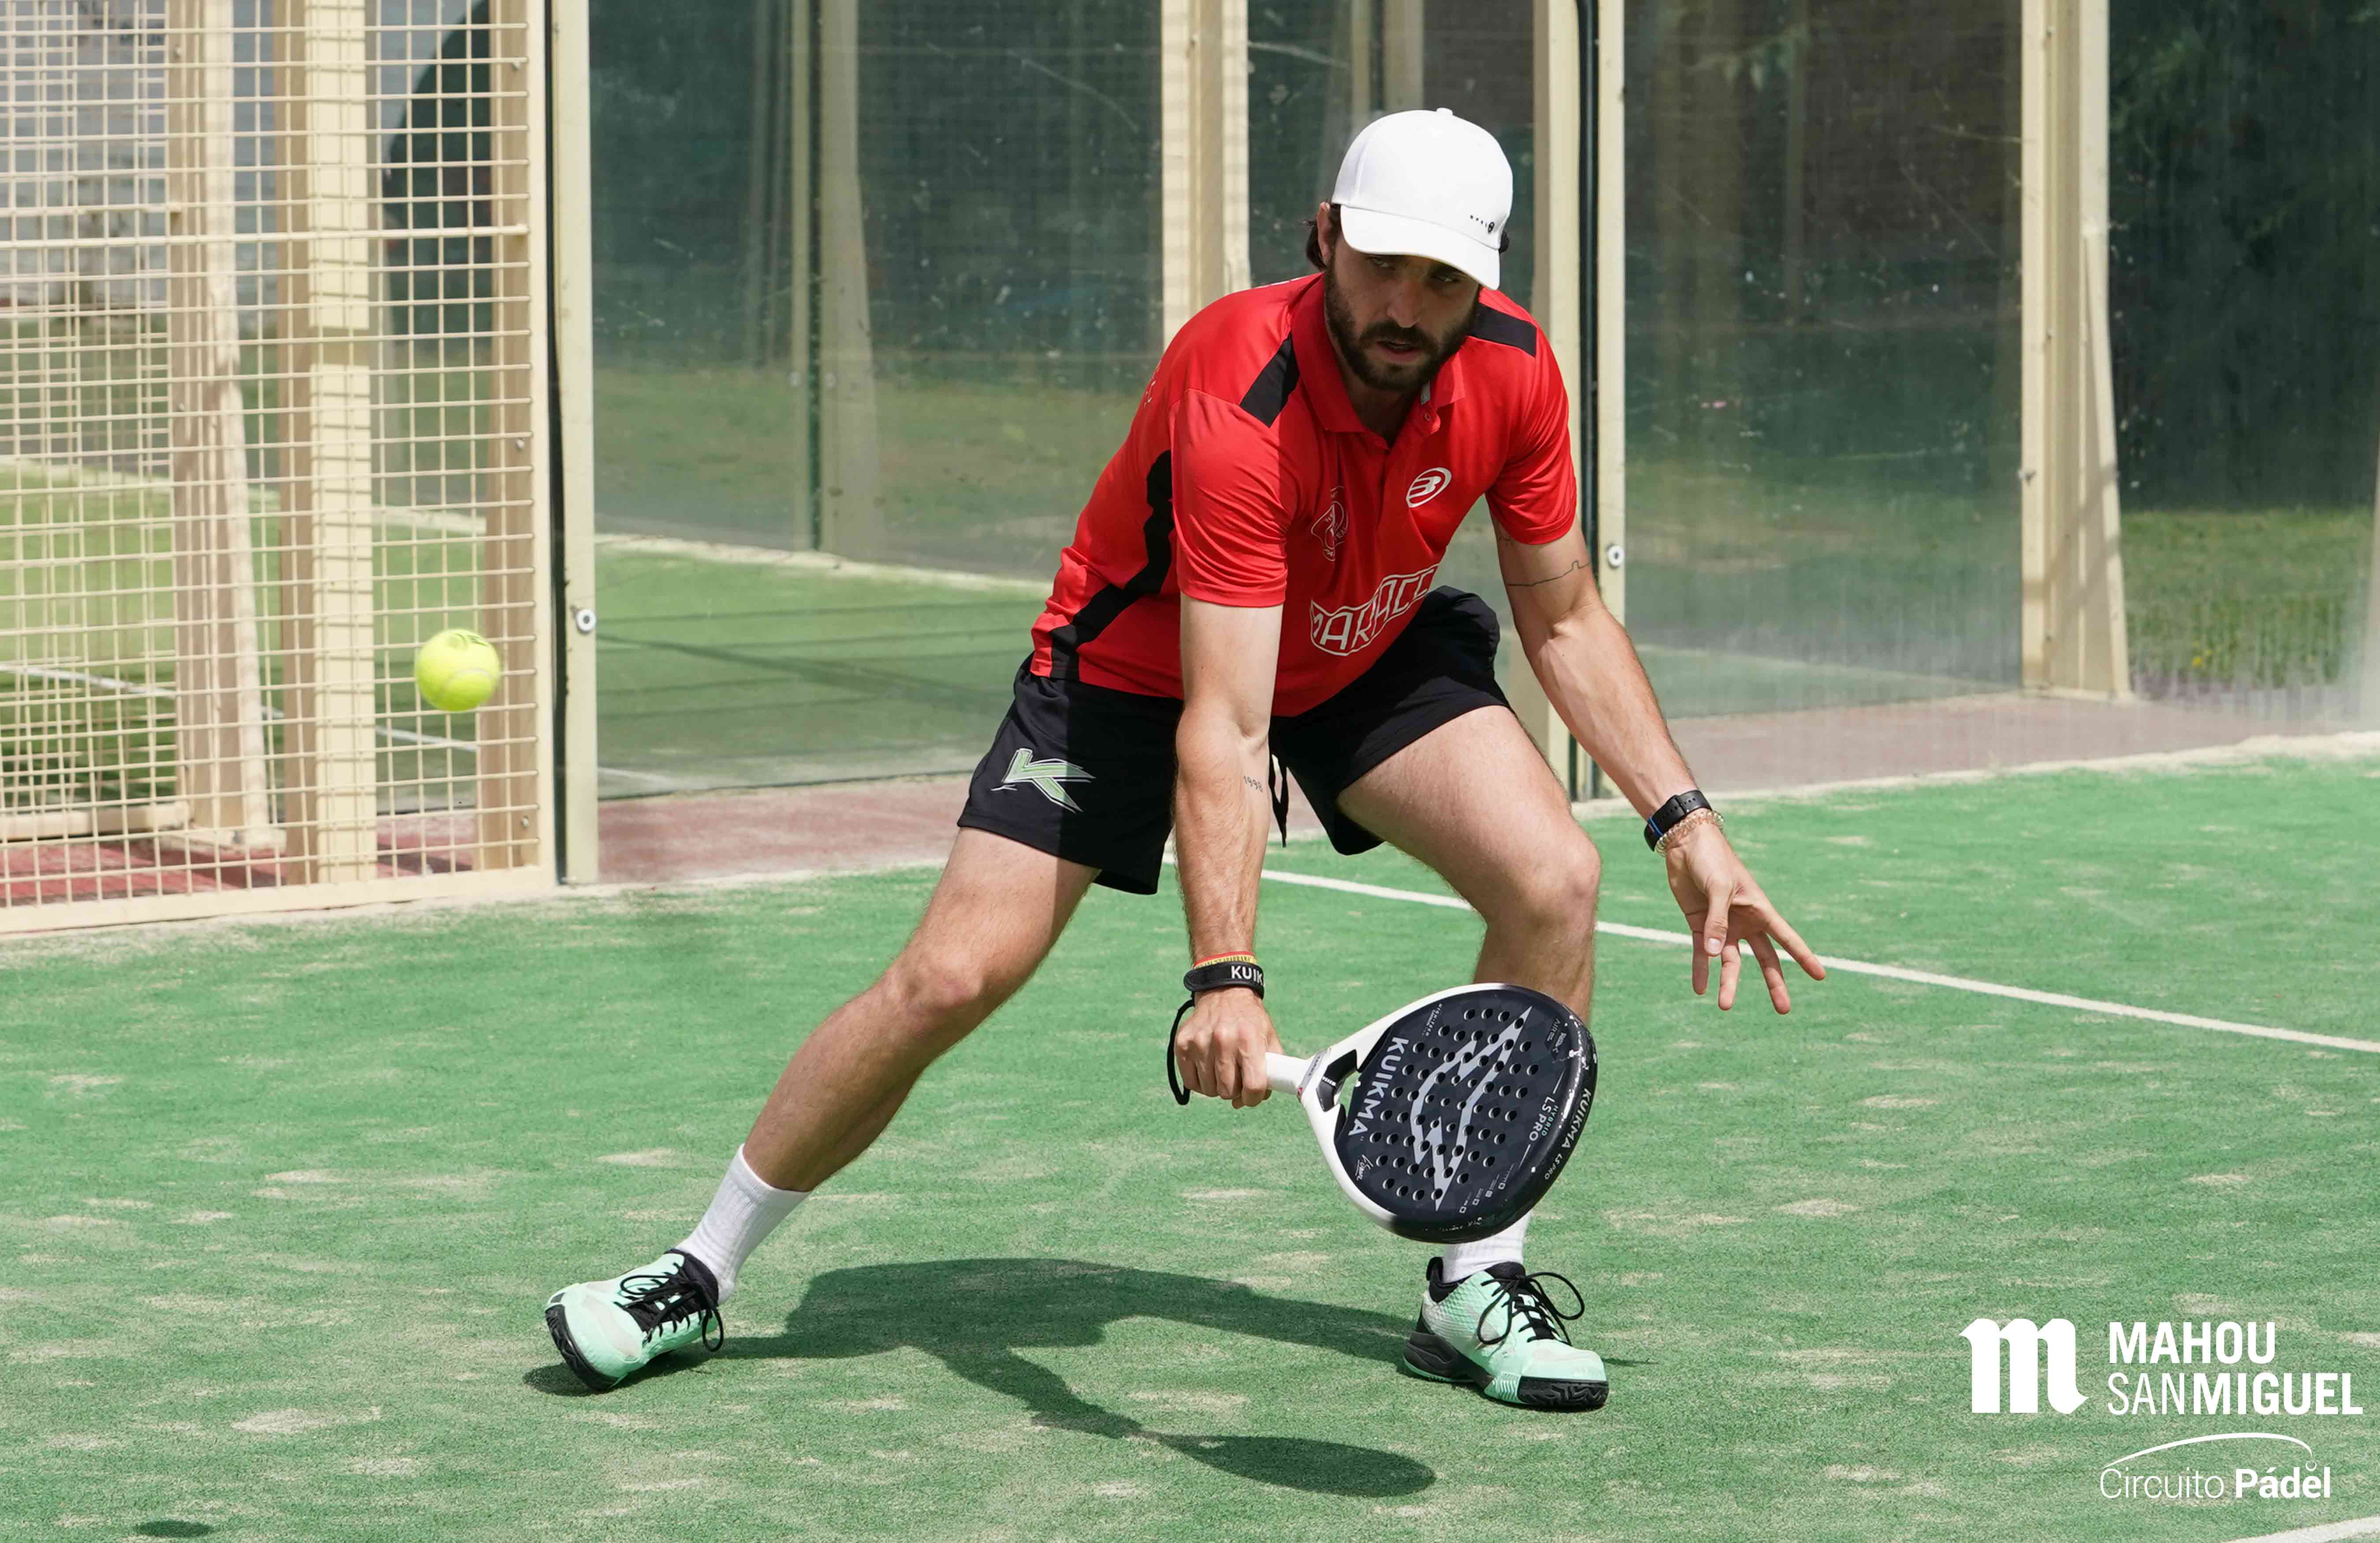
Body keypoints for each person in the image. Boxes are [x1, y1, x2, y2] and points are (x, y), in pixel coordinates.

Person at [544, 108, 1822, 1410]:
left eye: (1441, 279)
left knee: (1556, 881)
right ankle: (696, 1272)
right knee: (950, 976)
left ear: (1482, 283)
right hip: (1136, 671)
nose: (1404, 306)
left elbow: (1565, 615)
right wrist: (1225, 976)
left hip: (1360, 643)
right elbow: (1223, 720)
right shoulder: (1237, 386)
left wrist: (1685, 820)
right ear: (1324, 236)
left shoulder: (1516, 369)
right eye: (1381, 264)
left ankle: (1475, 1282)